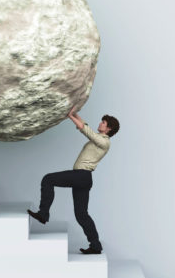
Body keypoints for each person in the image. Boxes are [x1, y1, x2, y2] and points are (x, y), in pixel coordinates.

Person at [28, 106, 120, 254]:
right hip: (83, 178)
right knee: (81, 214)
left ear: (108, 128)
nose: (101, 123)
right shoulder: (98, 139)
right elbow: (86, 127)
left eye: (103, 122)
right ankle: (95, 245)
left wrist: (70, 117)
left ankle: (43, 213)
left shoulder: (105, 142)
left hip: (81, 176)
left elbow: (86, 130)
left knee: (48, 179)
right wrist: (74, 113)